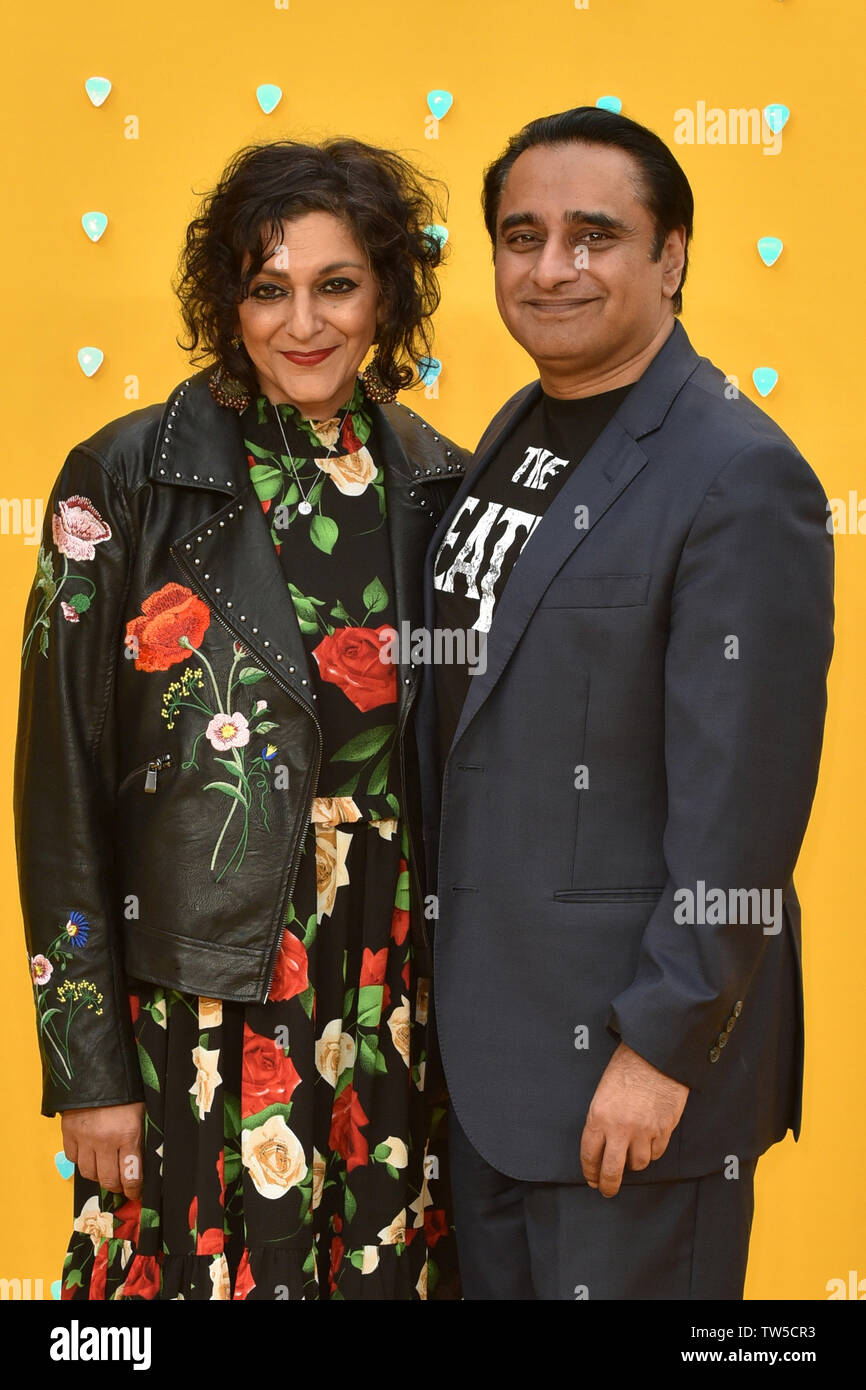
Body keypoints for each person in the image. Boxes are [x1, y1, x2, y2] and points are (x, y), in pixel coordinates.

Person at [14, 137, 470, 1300]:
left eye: (336, 285)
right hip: (200, 988)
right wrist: (85, 1066)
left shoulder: (441, 486)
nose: (300, 322)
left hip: (394, 992)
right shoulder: (122, 477)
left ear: (387, 296)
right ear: (226, 298)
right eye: (267, 287)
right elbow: (57, 784)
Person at [416, 106, 834, 1300]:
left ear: (671, 256)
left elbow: (743, 806)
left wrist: (660, 1048)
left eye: (593, 235)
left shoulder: (738, 473)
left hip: (626, 1083)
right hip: (488, 1070)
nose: (550, 268)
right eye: (520, 235)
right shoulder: (517, 428)